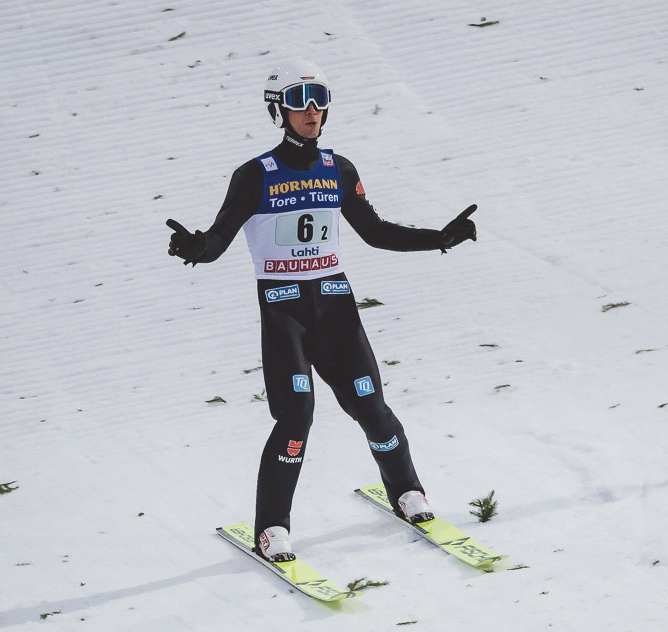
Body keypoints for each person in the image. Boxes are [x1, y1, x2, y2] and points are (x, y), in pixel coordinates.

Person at [166, 58, 477, 563]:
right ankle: (271, 527)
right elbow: (219, 240)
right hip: (284, 311)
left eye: (319, 99)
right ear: (278, 109)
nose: (311, 110)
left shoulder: (338, 169)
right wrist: (195, 248)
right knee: (297, 416)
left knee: (370, 406)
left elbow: (375, 232)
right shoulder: (254, 175)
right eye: (298, 100)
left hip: (335, 306)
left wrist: (438, 238)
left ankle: (406, 490)